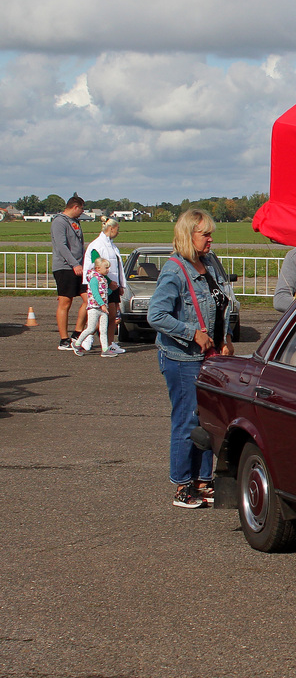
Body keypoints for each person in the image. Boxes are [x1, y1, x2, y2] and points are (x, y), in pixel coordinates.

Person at [148, 209, 235, 509]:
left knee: (207, 421)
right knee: (186, 420)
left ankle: (203, 479)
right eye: (205, 234)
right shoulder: (174, 270)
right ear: (189, 235)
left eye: (210, 233)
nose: (211, 239)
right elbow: (156, 315)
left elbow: (221, 304)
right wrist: (191, 333)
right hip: (181, 358)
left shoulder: (209, 263)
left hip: (208, 357)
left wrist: (225, 338)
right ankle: (183, 485)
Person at [81, 216, 127, 353]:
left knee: (112, 315)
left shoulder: (112, 246)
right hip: (101, 287)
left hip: (113, 286)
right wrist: (108, 282)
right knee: (99, 316)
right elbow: (97, 266)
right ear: (111, 228)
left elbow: (117, 267)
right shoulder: (97, 245)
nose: (118, 233)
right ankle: (86, 337)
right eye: (117, 229)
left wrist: (120, 285)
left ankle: (110, 343)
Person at [51, 196, 88, 350]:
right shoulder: (59, 222)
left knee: (90, 300)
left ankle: (77, 333)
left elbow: (79, 245)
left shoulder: (76, 222)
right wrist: (74, 264)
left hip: (80, 266)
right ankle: (64, 339)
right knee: (65, 302)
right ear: (75, 207)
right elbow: (62, 246)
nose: (82, 213)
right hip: (65, 267)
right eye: (81, 209)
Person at [72, 258, 117, 358]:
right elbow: (95, 294)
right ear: (98, 268)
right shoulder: (94, 279)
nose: (108, 270)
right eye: (106, 268)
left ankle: (105, 349)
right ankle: (77, 343)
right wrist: (102, 305)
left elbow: (104, 293)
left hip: (103, 309)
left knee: (103, 329)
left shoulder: (103, 279)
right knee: (91, 328)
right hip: (94, 308)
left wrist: (111, 290)